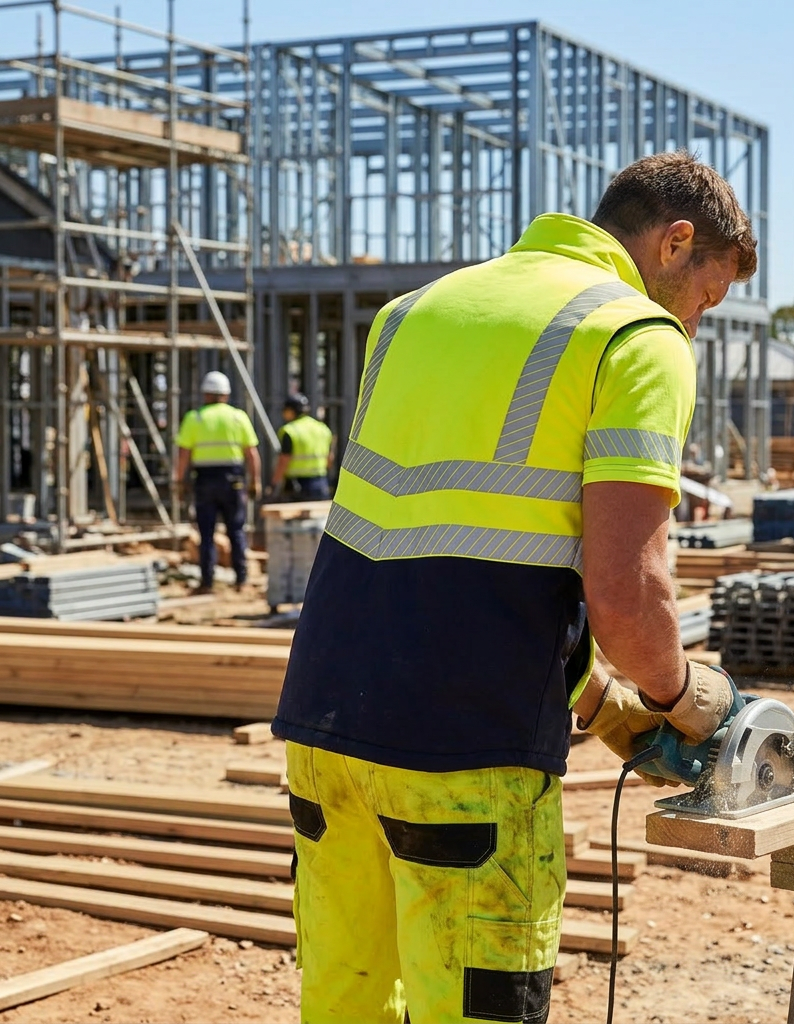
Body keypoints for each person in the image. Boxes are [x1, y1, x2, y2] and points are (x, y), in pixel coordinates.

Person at [272, 150, 757, 1024]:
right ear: (677, 243)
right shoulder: (633, 336)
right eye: (706, 296)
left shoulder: (412, 311)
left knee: (346, 1006)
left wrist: (600, 701)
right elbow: (625, 595)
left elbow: (442, 555)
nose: (696, 322)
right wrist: (679, 694)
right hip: (466, 759)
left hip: (324, 725)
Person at [174, 370, 261, 593]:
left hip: (204, 480)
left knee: (206, 533)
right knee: (236, 530)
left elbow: (183, 454)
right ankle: (241, 579)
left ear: (206, 394)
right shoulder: (237, 417)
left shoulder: (195, 418)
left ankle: (207, 581)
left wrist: (179, 481)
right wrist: (255, 481)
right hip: (233, 480)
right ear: (226, 394)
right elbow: (251, 454)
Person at [267, 393, 335, 501]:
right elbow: (330, 458)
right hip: (321, 483)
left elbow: (284, 460)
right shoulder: (323, 429)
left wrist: (274, 484)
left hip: (297, 486)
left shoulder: (289, 431)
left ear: (291, 411)